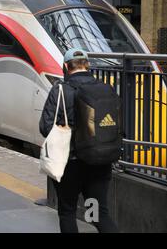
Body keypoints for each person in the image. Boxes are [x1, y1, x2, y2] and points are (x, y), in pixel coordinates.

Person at [39, 48, 119, 233]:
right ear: (88, 65)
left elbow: (44, 127)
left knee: (67, 212)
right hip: (100, 161)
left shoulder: (60, 90)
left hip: (70, 164)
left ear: (66, 67)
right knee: (99, 214)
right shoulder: (104, 88)